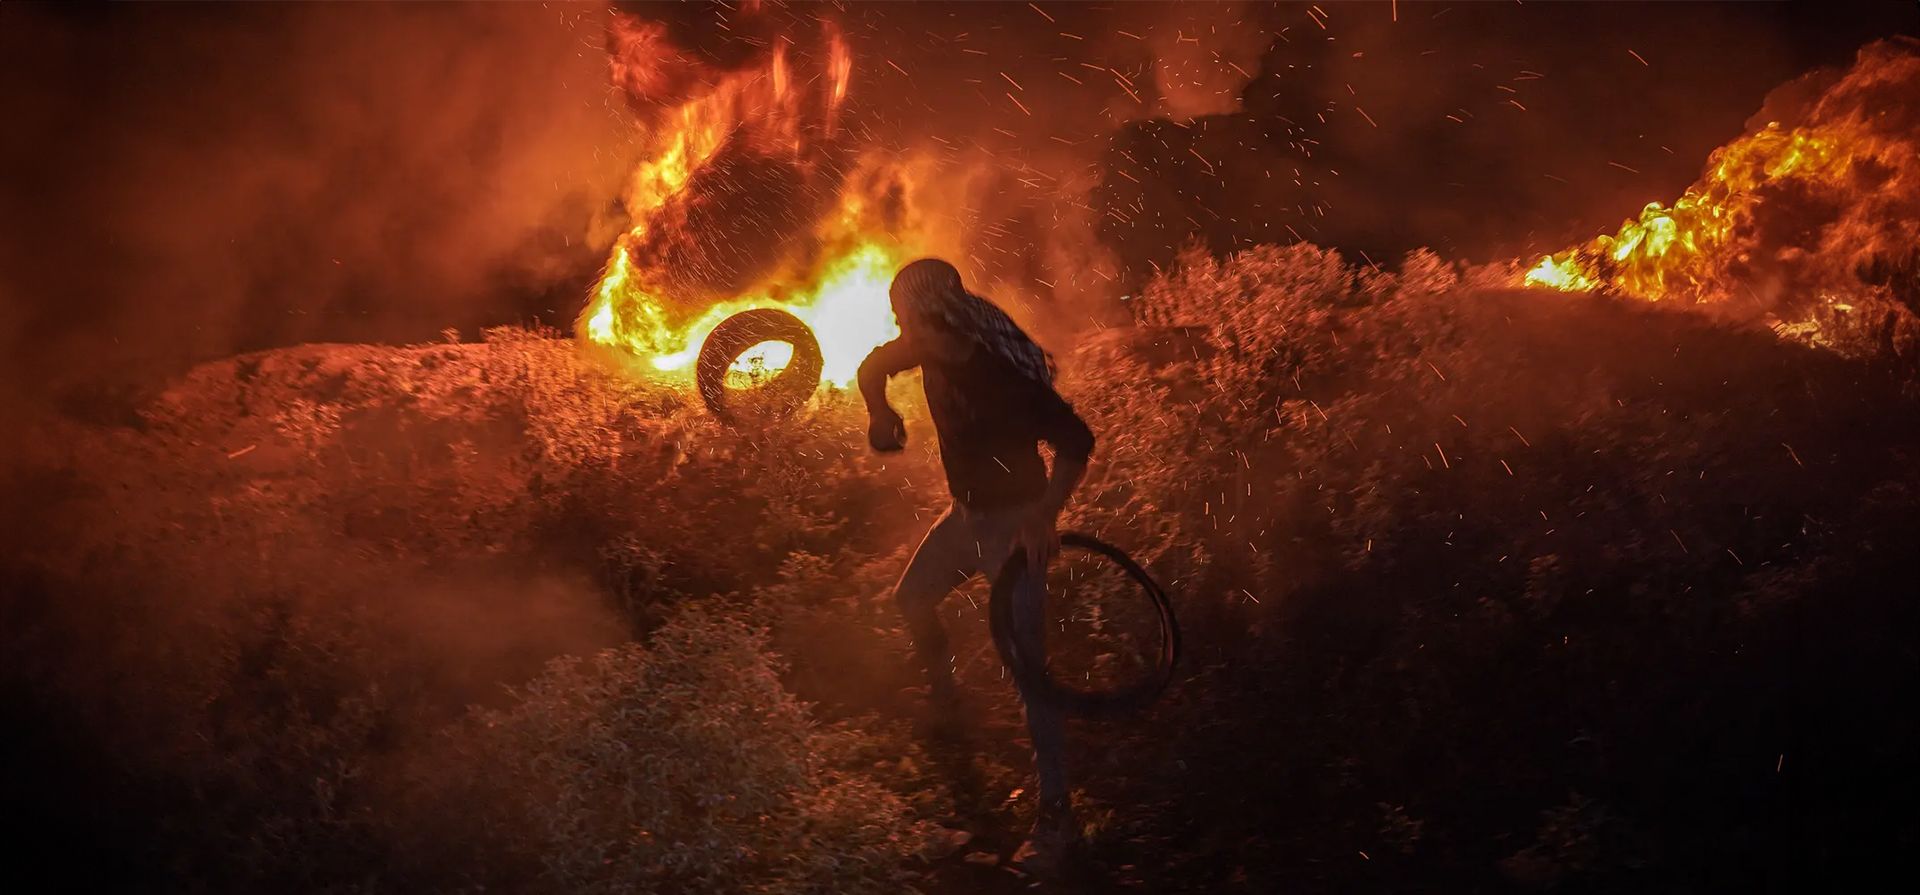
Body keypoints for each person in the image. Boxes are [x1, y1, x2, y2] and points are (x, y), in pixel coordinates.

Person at [857, 258, 1095, 872]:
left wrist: (1043, 517)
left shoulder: (997, 375)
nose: (895, 324)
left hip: (1012, 528)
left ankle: (1058, 817)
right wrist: (880, 415)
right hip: (964, 518)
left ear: (929, 314)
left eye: (900, 312)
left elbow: (1077, 441)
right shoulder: (928, 348)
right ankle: (947, 703)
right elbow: (872, 366)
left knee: (1028, 675)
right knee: (910, 601)